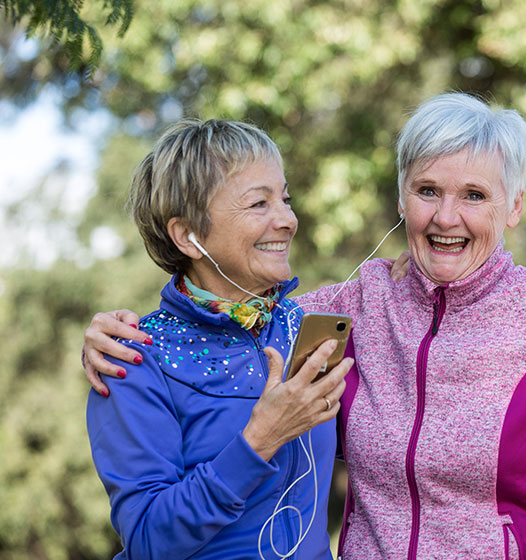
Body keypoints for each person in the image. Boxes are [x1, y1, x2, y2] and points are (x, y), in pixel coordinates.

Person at [83, 93, 526, 559]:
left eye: (475, 196)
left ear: (513, 208)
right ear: (402, 199)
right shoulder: (346, 311)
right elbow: (219, 298)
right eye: (428, 190)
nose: (446, 217)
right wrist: (119, 331)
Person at [85, 119, 355, 559]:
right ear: (188, 236)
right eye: (258, 204)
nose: (287, 220)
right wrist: (260, 439)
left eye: (284, 199)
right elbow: (148, 541)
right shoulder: (132, 356)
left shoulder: (305, 326)